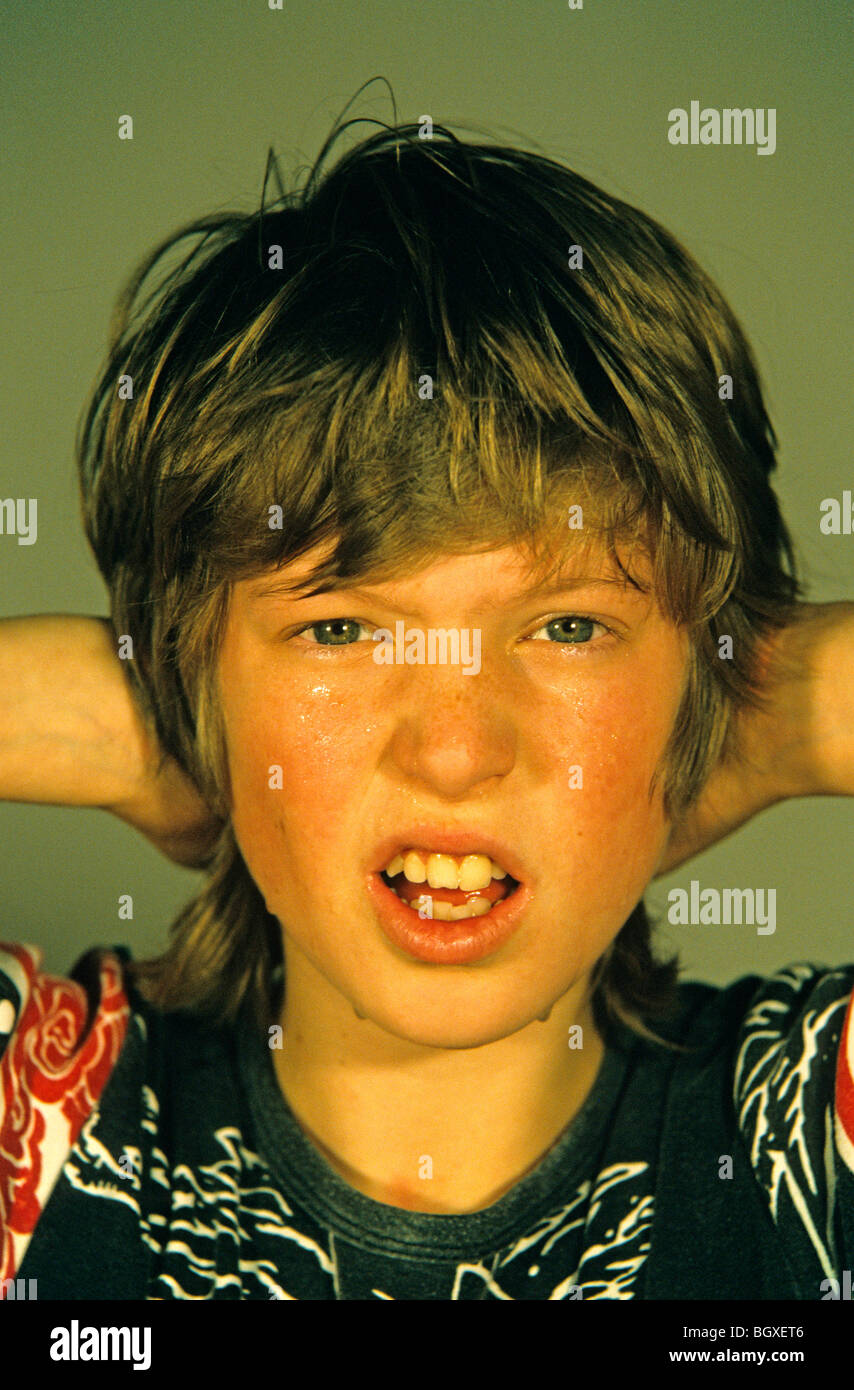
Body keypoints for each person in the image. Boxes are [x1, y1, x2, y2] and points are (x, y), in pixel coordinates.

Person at [1, 120, 852, 1301]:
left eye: (569, 629)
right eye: (339, 630)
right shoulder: (39, 1114)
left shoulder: (807, 1138)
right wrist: (138, 719)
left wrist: (767, 716)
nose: (454, 752)